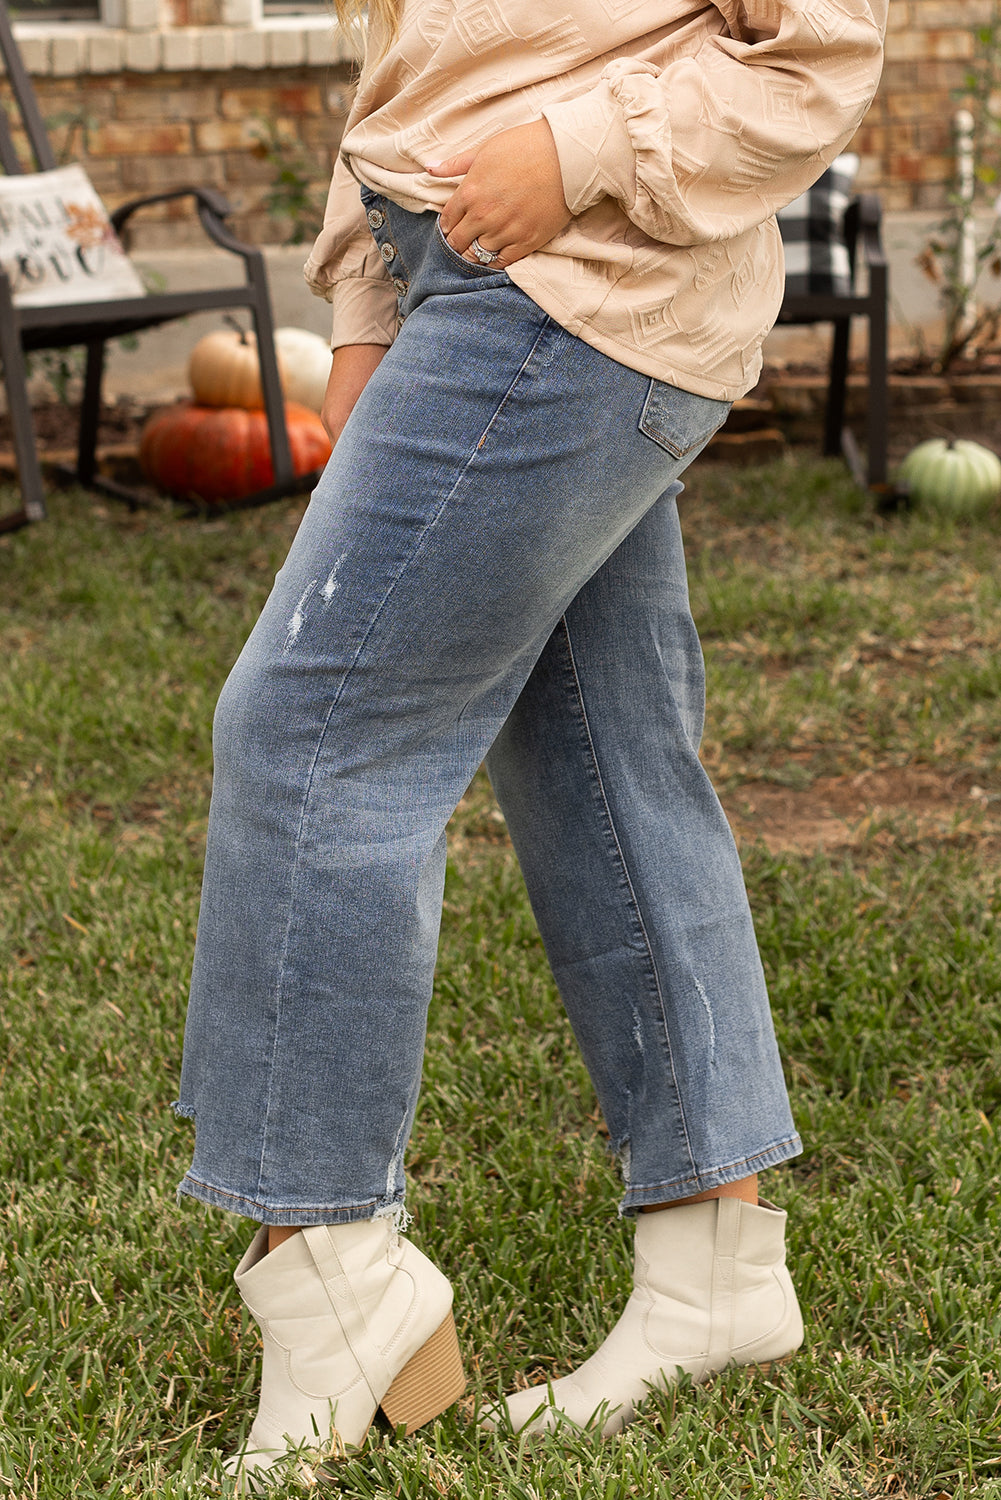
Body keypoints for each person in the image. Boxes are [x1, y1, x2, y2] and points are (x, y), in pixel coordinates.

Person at [174, 0, 887, 1483]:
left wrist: (572, 152)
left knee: (314, 735)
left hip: (575, 281)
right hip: (480, 282)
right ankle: (713, 1270)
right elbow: (415, 41)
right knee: (600, 758)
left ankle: (329, 1273)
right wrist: (369, 304)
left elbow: (818, 49)